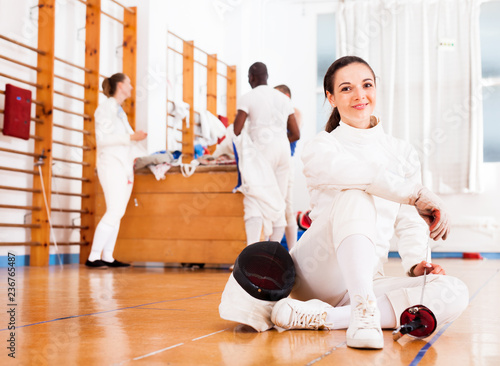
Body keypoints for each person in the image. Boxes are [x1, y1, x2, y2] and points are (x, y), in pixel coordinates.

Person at [268, 56, 469, 349]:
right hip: (317, 273)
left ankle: (333, 317)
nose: (360, 95)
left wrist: (415, 263)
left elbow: (409, 219)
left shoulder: (402, 152)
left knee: (454, 291)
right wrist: (415, 193)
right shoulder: (321, 146)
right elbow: (362, 175)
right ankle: (360, 311)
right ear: (331, 98)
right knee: (355, 196)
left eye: (367, 85)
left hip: (368, 278)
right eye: (347, 88)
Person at [232, 62, 300, 245]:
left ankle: (252, 250)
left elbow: (237, 130)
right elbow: (296, 134)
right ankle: (274, 251)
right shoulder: (283, 99)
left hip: (263, 151)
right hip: (284, 152)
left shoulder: (248, 97)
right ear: (267, 76)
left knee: (254, 197)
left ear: (251, 77)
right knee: (278, 200)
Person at [85, 73, 147, 268]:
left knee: (118, 212)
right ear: (120, 85)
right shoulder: (105, 109)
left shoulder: (119, 111)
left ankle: (108, 256)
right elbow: (103, 140)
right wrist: (132, 138)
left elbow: (128, 139)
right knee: (114, 210)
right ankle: (93, 257)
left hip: (123, 166)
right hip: (110, 164)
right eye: (129, 83)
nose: (132, 87)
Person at [274, 84, 302, 251]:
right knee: (273, 208)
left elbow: (294, 134)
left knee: (286, 207)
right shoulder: (273, 115)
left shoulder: (294, 113)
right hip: (272, 164)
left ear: (286, 96)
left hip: (286, 162)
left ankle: (292, 251)